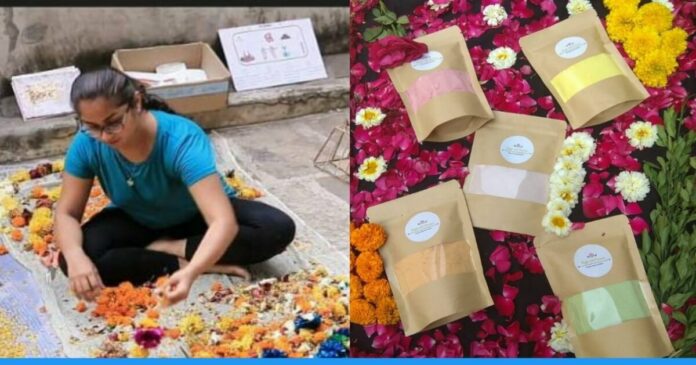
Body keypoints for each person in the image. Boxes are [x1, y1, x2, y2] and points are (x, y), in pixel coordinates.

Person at [55, 67, 295, 305]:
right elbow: (66, 213)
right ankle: (181, 261)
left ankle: (171, 248)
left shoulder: (181, 138)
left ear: (137, 102)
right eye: (92, 126)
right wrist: (76, 256)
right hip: (136, 216)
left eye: (114, 123)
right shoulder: (86, 144)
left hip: (195, 216)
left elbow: (222, 221)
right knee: (74, 261)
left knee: (275, 228)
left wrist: (190, 275)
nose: (105, 136)